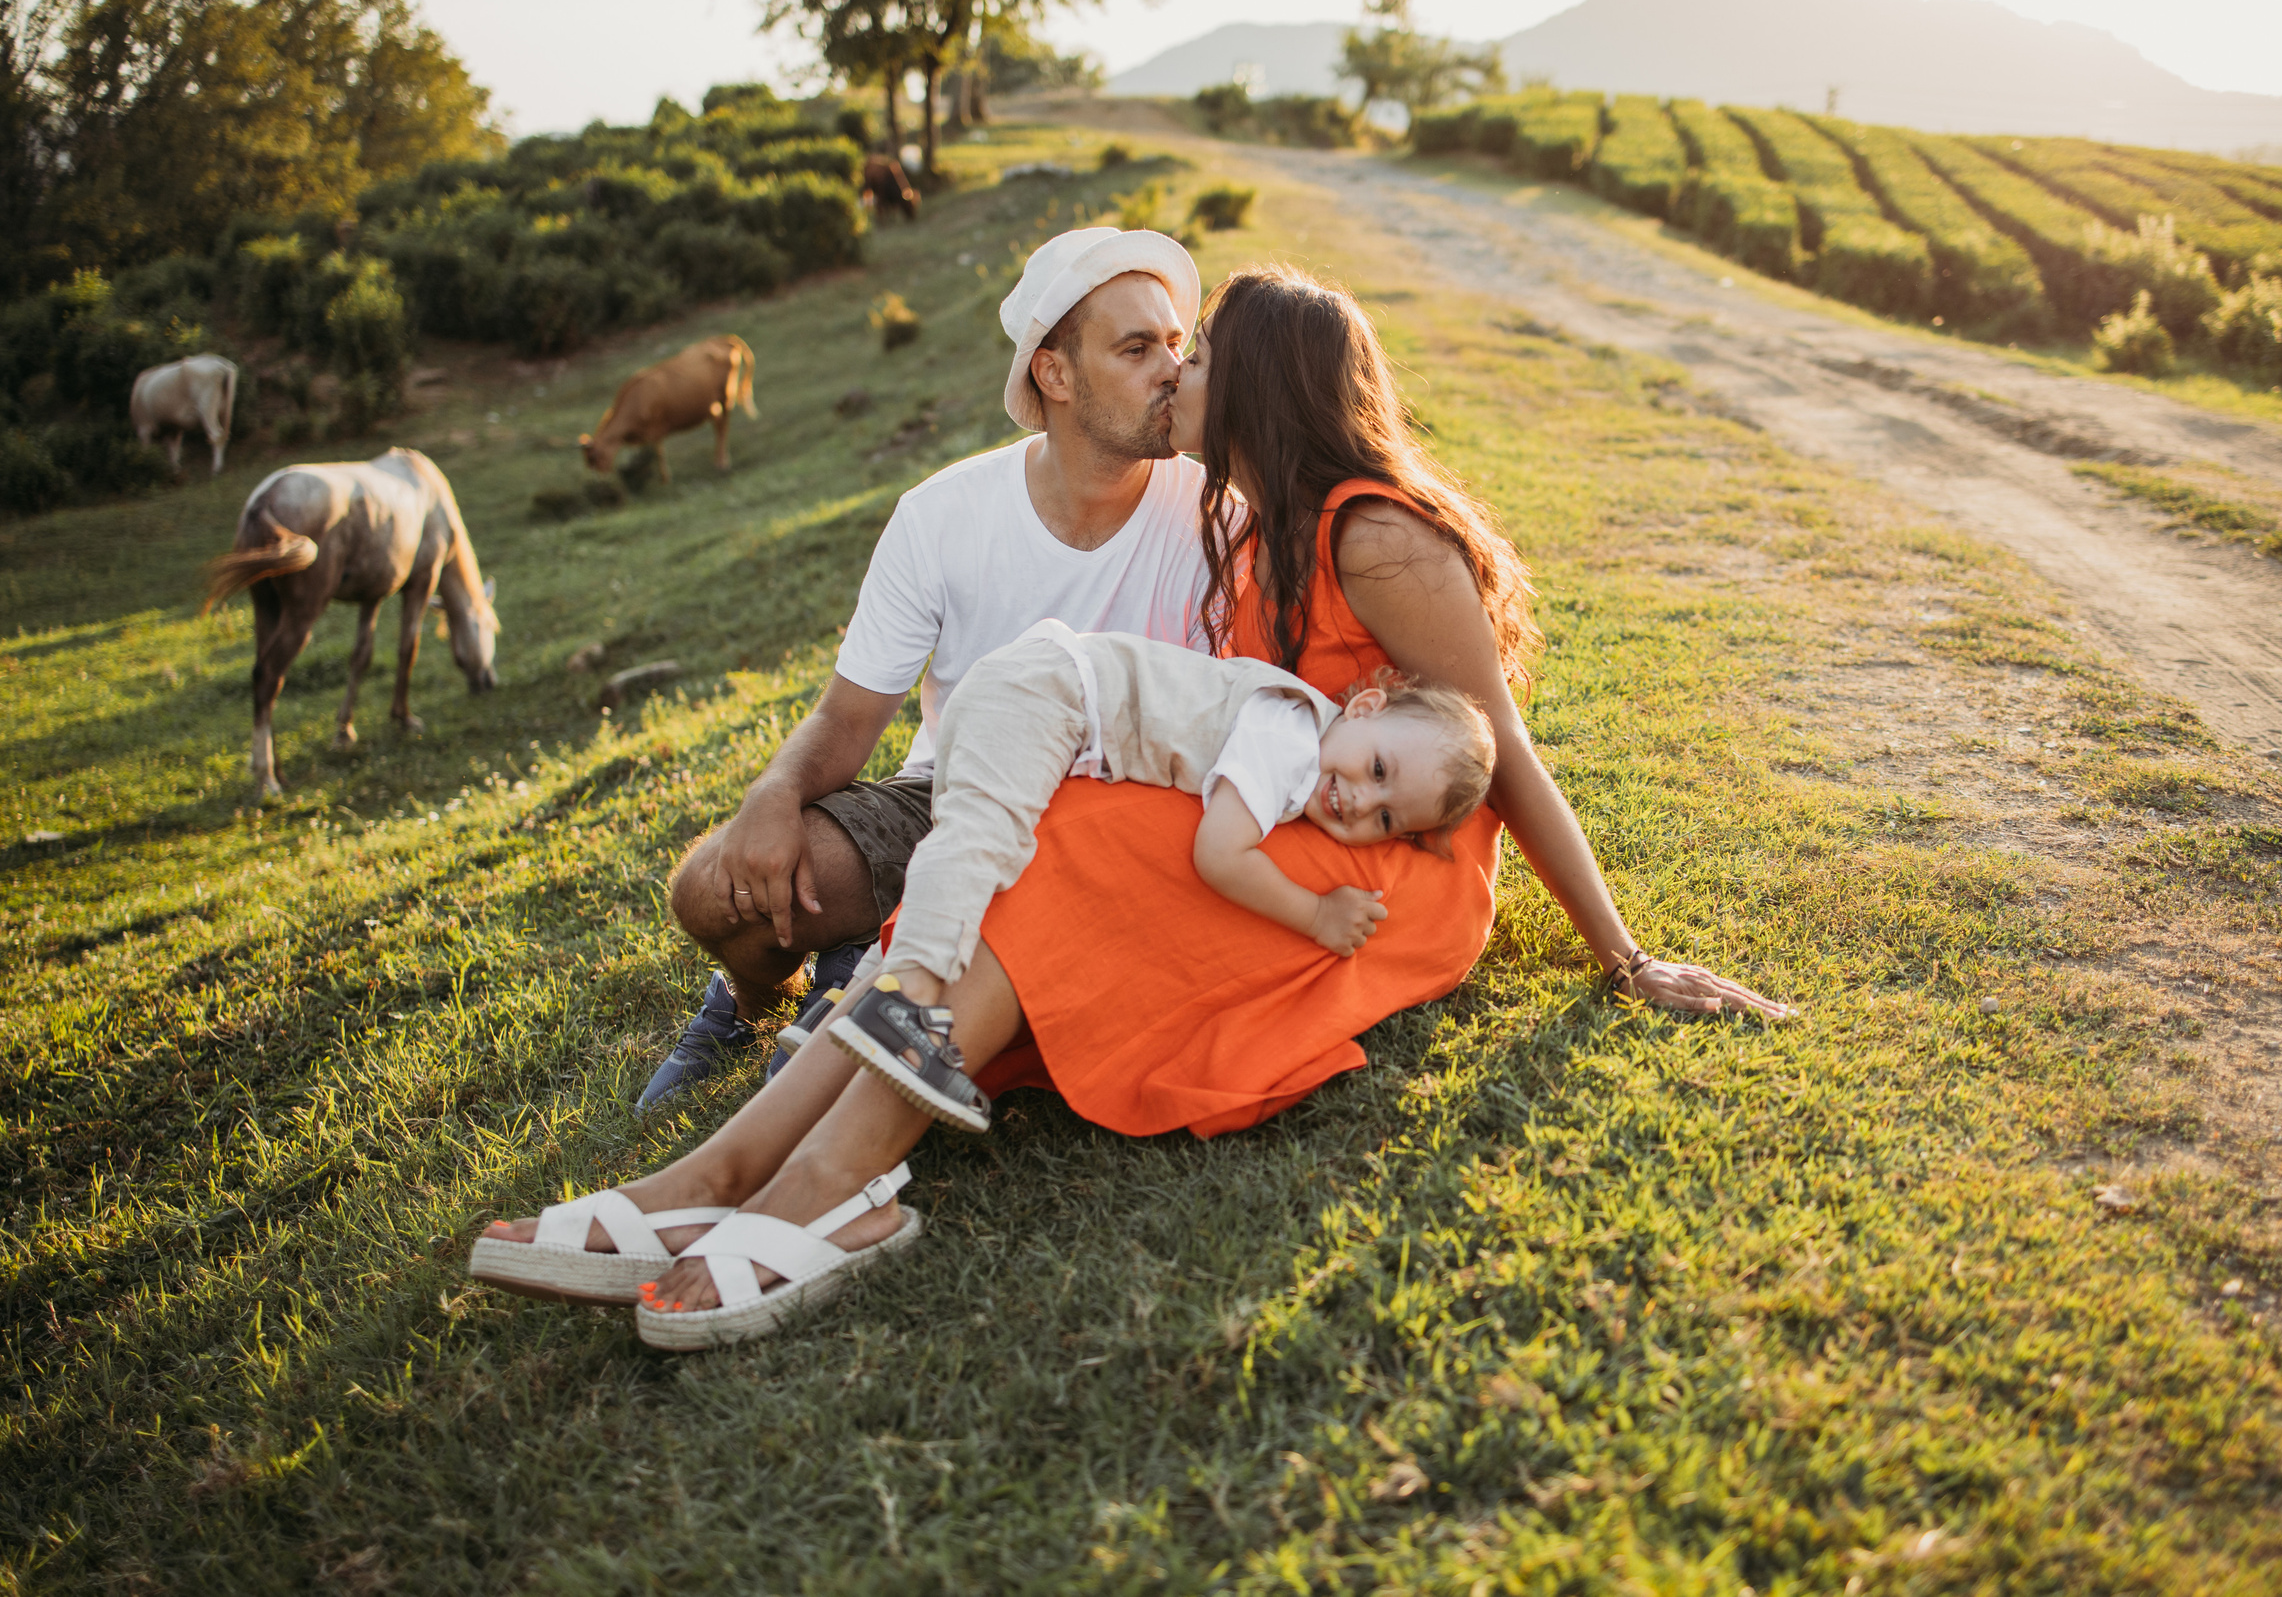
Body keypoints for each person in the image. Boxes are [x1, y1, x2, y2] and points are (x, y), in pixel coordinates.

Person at [472, 265, 1789, 1351]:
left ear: (1258, 385)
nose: (1178, 374)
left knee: (1077, 843)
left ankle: (825, 1191)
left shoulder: (1376, 534)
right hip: (1267, 808)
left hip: (1383, 870)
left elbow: (1499, 748)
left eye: (1199, 351)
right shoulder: (1235, 512)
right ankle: (712, 1174)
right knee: (1040, 832)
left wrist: (1624, 954)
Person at [629, 225, 1213, 1111]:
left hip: (1111, 826)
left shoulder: (1216, 515)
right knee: (714, 890)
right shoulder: (941, 516)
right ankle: (748, 1003)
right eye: (1136, 348)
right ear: (1053, 374)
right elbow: (848, 719)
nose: (1171, 368)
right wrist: (774, 796)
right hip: (946, 801)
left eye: (1176, 343)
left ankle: (863, 965)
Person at [824, 622, 1498, 1132]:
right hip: (1047, 694)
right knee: (980, 841)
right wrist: (1316, 914)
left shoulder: (1311, 751)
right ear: (1364, 707)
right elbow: (1220, 854)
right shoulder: (1290, 740)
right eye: (1378, 770)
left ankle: (848, 1016)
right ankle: (903, 999)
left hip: (1051, 698)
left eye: (1385, 820)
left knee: (984, 853)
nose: (1360, 800)